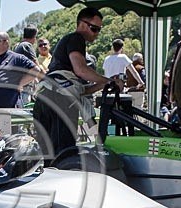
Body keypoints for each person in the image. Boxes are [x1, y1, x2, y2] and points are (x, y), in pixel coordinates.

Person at [33, 7, 123, 159]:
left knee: (46, 154)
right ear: (82, 24)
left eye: (99, 29)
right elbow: (81, 70)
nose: (97, 33)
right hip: (59, 100)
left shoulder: (65, 46)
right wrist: (108, 80)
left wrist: (104, 84)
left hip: (46, 96)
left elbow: (78, 89)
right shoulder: (76, 38)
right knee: (64, 153)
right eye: (94, 29)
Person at [0, 32, 44, 108]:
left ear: (6, 42)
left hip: (12, 107)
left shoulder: (17, 58)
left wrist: (20, 83)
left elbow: (36, 70)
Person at [14, 26, 41, 106]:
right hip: (24, 87)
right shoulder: (27, 45)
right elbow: (37, 66)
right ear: (34, 37)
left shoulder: (18, 45)